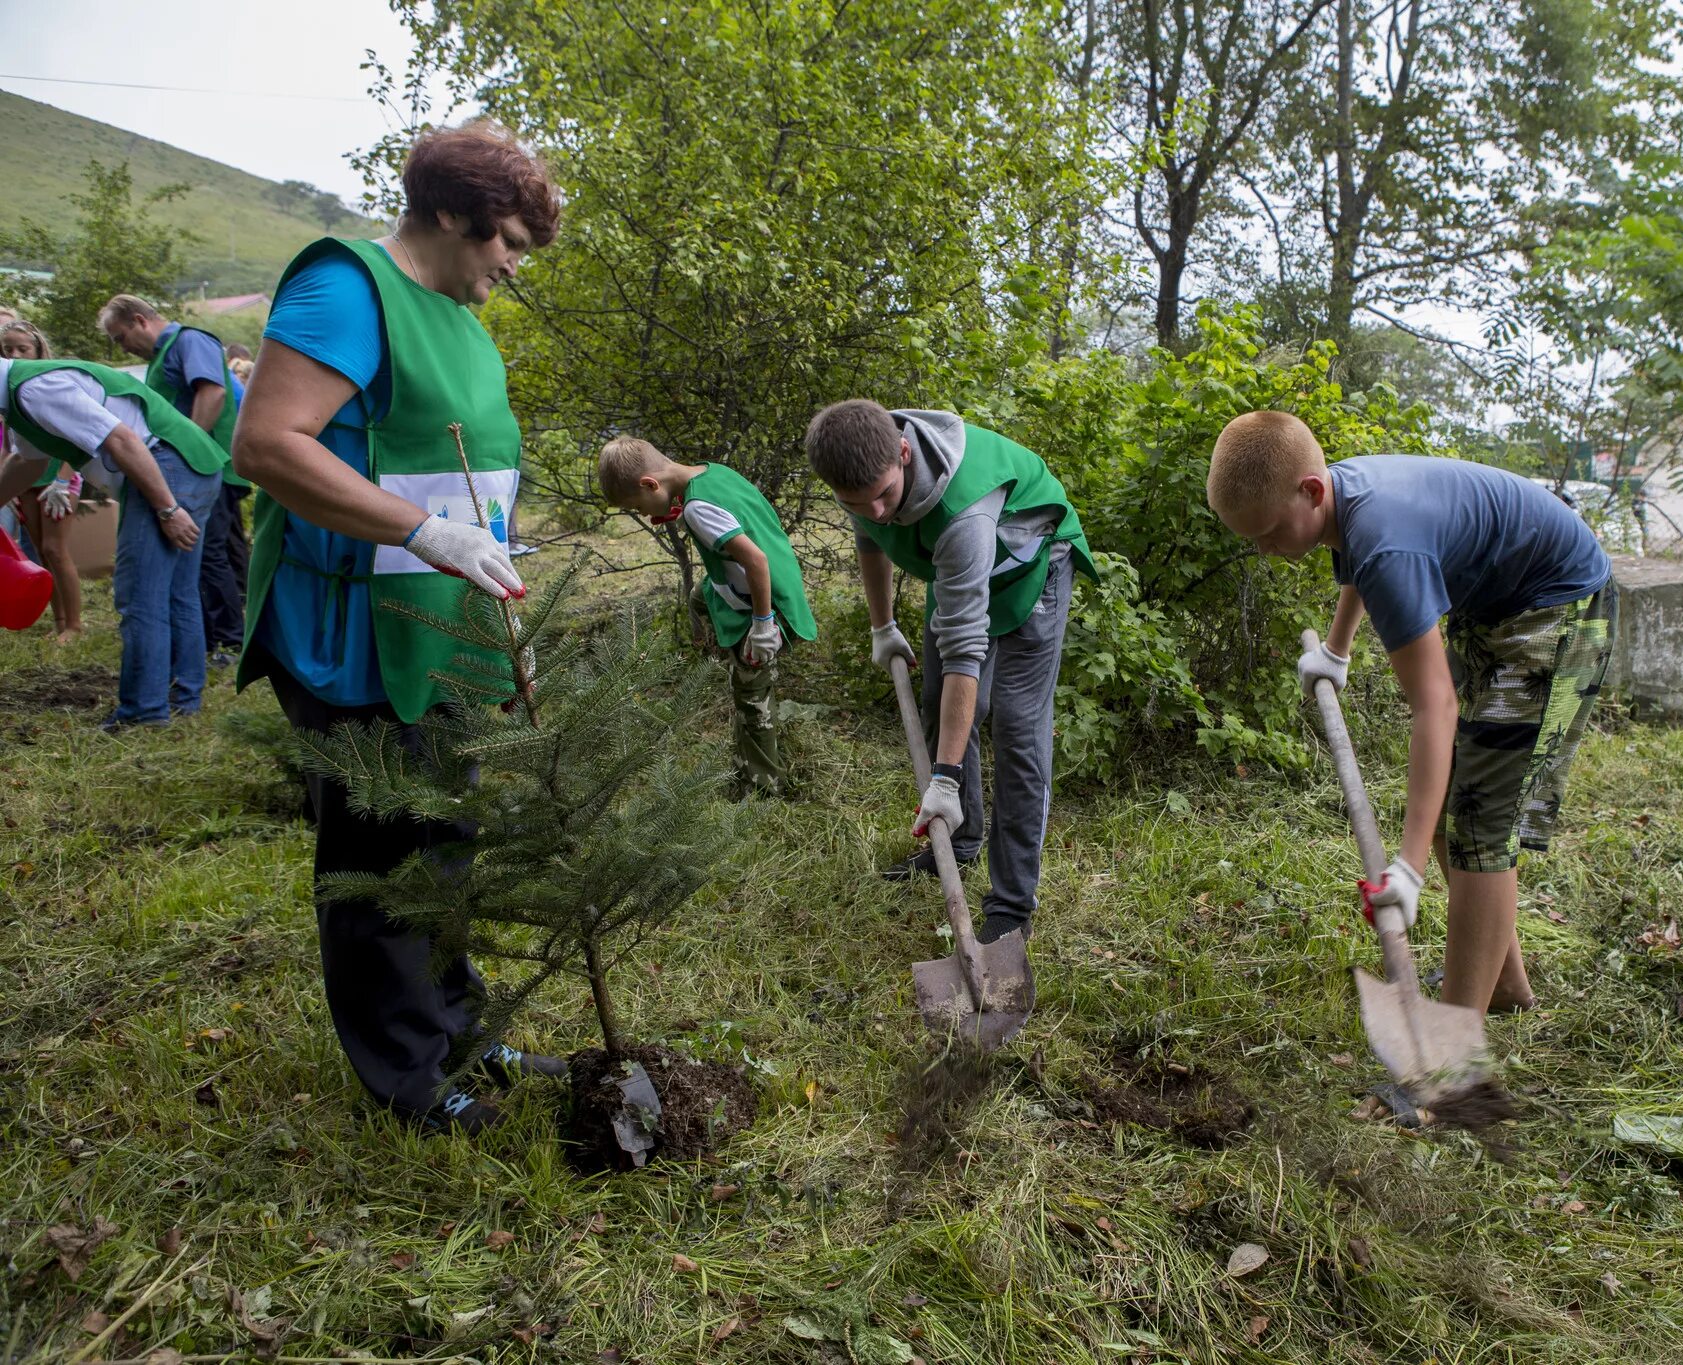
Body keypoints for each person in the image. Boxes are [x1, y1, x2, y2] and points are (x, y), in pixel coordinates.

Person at [230, 119, 564, 1135]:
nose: (511, 264)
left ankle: (461, 1033)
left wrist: (501, 617)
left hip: (446, 629)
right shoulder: (348, 288)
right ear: (452, 212)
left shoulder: (463, 315)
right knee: (379, 855)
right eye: (505, 239)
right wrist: (422, 531)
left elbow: (474, 481)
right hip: (353, 627)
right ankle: (407, 1086)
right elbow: (268, 442)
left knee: (445, 838)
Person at [1206, 413, 1612, 1120]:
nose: (1268, 551)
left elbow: (1436, 708)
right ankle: (1504, 982)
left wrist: (1411, 867)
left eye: (1270, 532)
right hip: (1500, 606)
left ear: (1309, 491)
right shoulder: (1348, 502)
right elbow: (1365, 567)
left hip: (1557, 609)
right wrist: (1337, 647)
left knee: (1483, 826)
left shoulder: (1384, 536)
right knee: (1466, 806)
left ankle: (1450, 1071)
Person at [805, 400, 1096, 945]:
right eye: (856, 504)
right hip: (959, 570)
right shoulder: (859, 468)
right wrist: (882, 625)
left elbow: (967, 650)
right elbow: (872, 540)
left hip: (1030, 563)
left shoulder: (965, 513)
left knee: (1016, 728)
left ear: (905, 453)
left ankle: (1011, 905)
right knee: (942, 698)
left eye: (885, 496)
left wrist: (942, 779)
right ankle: (960, 844)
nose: (875, 511)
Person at [0, 353, 224, 726]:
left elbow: (123, 439)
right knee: (176, 593)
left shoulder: (35, 388)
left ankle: (144, 712)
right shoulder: (21, 397)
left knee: (140, 596)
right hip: (190, 461)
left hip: (166, 465)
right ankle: (184, 700)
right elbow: (29, 462)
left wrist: (168, 510)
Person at [597, 436, 817, 796]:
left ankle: (763, 787)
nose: (644, 515)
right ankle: (721, 646)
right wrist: (678, 507)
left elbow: (757, 562)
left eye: (639, 506)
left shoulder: (699, 508)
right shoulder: (713, 473)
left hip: (764, 601)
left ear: (650, 484)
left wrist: (762, 626)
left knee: (751, 694)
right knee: (700, 597)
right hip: (767, 577)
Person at [101, 295, 251, 668]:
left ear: (139, 320)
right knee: (219, 551)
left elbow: (212, 391)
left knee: (206, 554)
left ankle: (229, 643)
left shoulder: (188, 340)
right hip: (200, 469)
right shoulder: (162, 356)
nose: (123, 347)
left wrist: (189, 449)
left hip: (204, 467)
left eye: (121, 338)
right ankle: (207, 638)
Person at [0, 321, 85, 640]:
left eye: (23, 348)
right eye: (9, 349)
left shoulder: (51, 384)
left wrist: (62, 481)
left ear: (38, 349)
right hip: (26, 479)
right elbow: (8, 447)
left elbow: (75, 437)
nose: (16, 354)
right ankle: (59, 621)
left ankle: (75, 625)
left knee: (56, 548)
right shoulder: (8, 393)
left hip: (59, 479)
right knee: (38, 548)